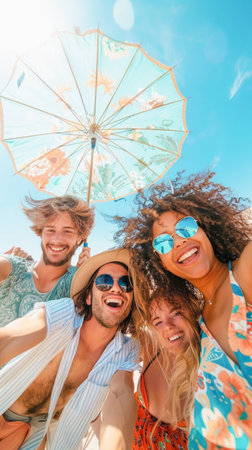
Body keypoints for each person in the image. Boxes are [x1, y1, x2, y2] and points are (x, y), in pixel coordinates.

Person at [114, 172, 252, 449]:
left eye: (185, 228)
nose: (177, 241)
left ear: (205, 230)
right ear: (163, 263)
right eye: (163, 243)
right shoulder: (199, 324)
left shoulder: (245, 274)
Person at [0, 248, 140, 450]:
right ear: (89, 297)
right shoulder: (64, 315)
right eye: (105, 282)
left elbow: (121, 394)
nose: (116, 288)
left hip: (38, 437)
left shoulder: (127, 350)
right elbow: (8, 339)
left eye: (126, 284)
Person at [0, 195, 94, 326]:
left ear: (80, 238)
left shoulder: (78, 284)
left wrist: (85, 277)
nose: (57, 239)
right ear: (41, 232)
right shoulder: (14, 267)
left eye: (67, 231)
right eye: (50, 230)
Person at [132, 288, 201, 450]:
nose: (168, 326)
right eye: (158, 322)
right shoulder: (151, 345)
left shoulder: (208, 365)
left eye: (176, 313)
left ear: (193, 309)